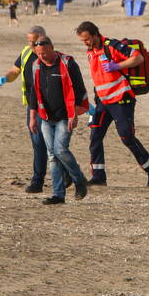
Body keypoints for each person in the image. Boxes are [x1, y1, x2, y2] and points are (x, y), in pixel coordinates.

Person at [75, 21, 149, 187]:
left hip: (121, 100)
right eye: (82, 41)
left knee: (127, 137)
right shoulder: (90, 51)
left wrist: (116, 66)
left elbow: (138, 57)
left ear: (95, 34)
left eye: (87, 39)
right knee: (95, 136)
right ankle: (99, 177)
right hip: (103, 102)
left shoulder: (112, 46)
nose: (85, 43)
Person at [0, 26, 69, 193]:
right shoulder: (26, 53)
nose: (31, 44)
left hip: (52, 107)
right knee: (38, 143)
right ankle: (38, 181)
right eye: (29, 41)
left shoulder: (52, 56)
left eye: (34, 41)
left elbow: (66, 82)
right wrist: (5, 78)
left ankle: (66, 173)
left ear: (43, 38)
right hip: (33, 107)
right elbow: (15, 71)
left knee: (54, 145)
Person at [25, 37, 90, 204]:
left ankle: (79, 180)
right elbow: (34, 93)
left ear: (52, 48)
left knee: (60, 150)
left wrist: (74, 114)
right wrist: (32, 118)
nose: (42, 56)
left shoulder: (68, 64)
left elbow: (79, 90)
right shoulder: (36, 65)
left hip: (65, 116)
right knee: (52, 155)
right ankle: (58, 194)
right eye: (39, 54)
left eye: (45, 53)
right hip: (45, 117)